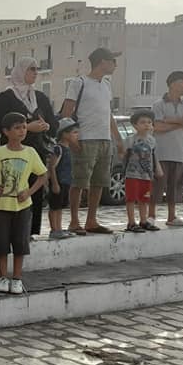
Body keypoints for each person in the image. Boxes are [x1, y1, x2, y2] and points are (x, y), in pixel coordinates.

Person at [0, 112, 48, 295]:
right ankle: (3, 277)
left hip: (23, 207)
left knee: (20, 243)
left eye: (24, 127)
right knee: (1, 244)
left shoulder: (30, 152)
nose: (22, 131)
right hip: (1, 206)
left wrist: (29, 192)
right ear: (6, 131)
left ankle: (17, 278)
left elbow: (42, 175)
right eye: (17, 128)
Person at [61, 48, 125, 235]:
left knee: (99, 182)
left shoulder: (107, 84)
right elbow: (66, 112)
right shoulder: (79, 82)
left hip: (105, 139)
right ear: (102, 61)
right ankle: (74, 221)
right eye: (113, 61)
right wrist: (70, 138)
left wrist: (118, 138)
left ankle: (91, 220)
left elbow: (108, 113)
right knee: (80, 181)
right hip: (85, 138)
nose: (115, 65)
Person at [0, 57, 58, 237]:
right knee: (9, 189)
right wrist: (28, 127)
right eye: (31, 69)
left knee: (33, 191)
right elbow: (0, 124)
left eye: (37, 69)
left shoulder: (40, 98)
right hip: (12, 152)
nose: (36, 72)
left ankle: (28, 231)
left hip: (35, 151)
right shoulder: (6, 97)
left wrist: (46, 126)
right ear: (21, 71)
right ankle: (4, 233)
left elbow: (53, 124)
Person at [149, 71, 183, 227]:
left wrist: (170, 120)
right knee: (157, 185)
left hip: (180, 153)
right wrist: (182, 122)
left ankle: (172, 216)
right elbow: (157, 126)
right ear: (173, 84)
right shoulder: (158, 104)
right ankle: (151, 216)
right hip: (161, 153)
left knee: (176, 186)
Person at [122, 110, 163, 233]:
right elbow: (124, 155)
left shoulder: (152, 140)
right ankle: (131, 222)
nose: (146, 125)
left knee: (144, 198)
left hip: (146, 175)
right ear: (135, 125)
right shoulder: (130, 140)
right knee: (131, 198)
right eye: (143, 122)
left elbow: (154, 155)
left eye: (149, 122)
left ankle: (143, 221)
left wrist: (157, 169)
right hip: (132, 174)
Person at [47, 118, 80, 239]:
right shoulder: (58, 149)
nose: (77, 135)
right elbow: (52, 167)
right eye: (74, 132)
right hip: (58, 182)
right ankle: (54, 229)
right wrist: (55, 183)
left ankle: (59, 228)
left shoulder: (68, 149)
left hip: (66, 182)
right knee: (54, 206)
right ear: (65, 134)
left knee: (60, 206)